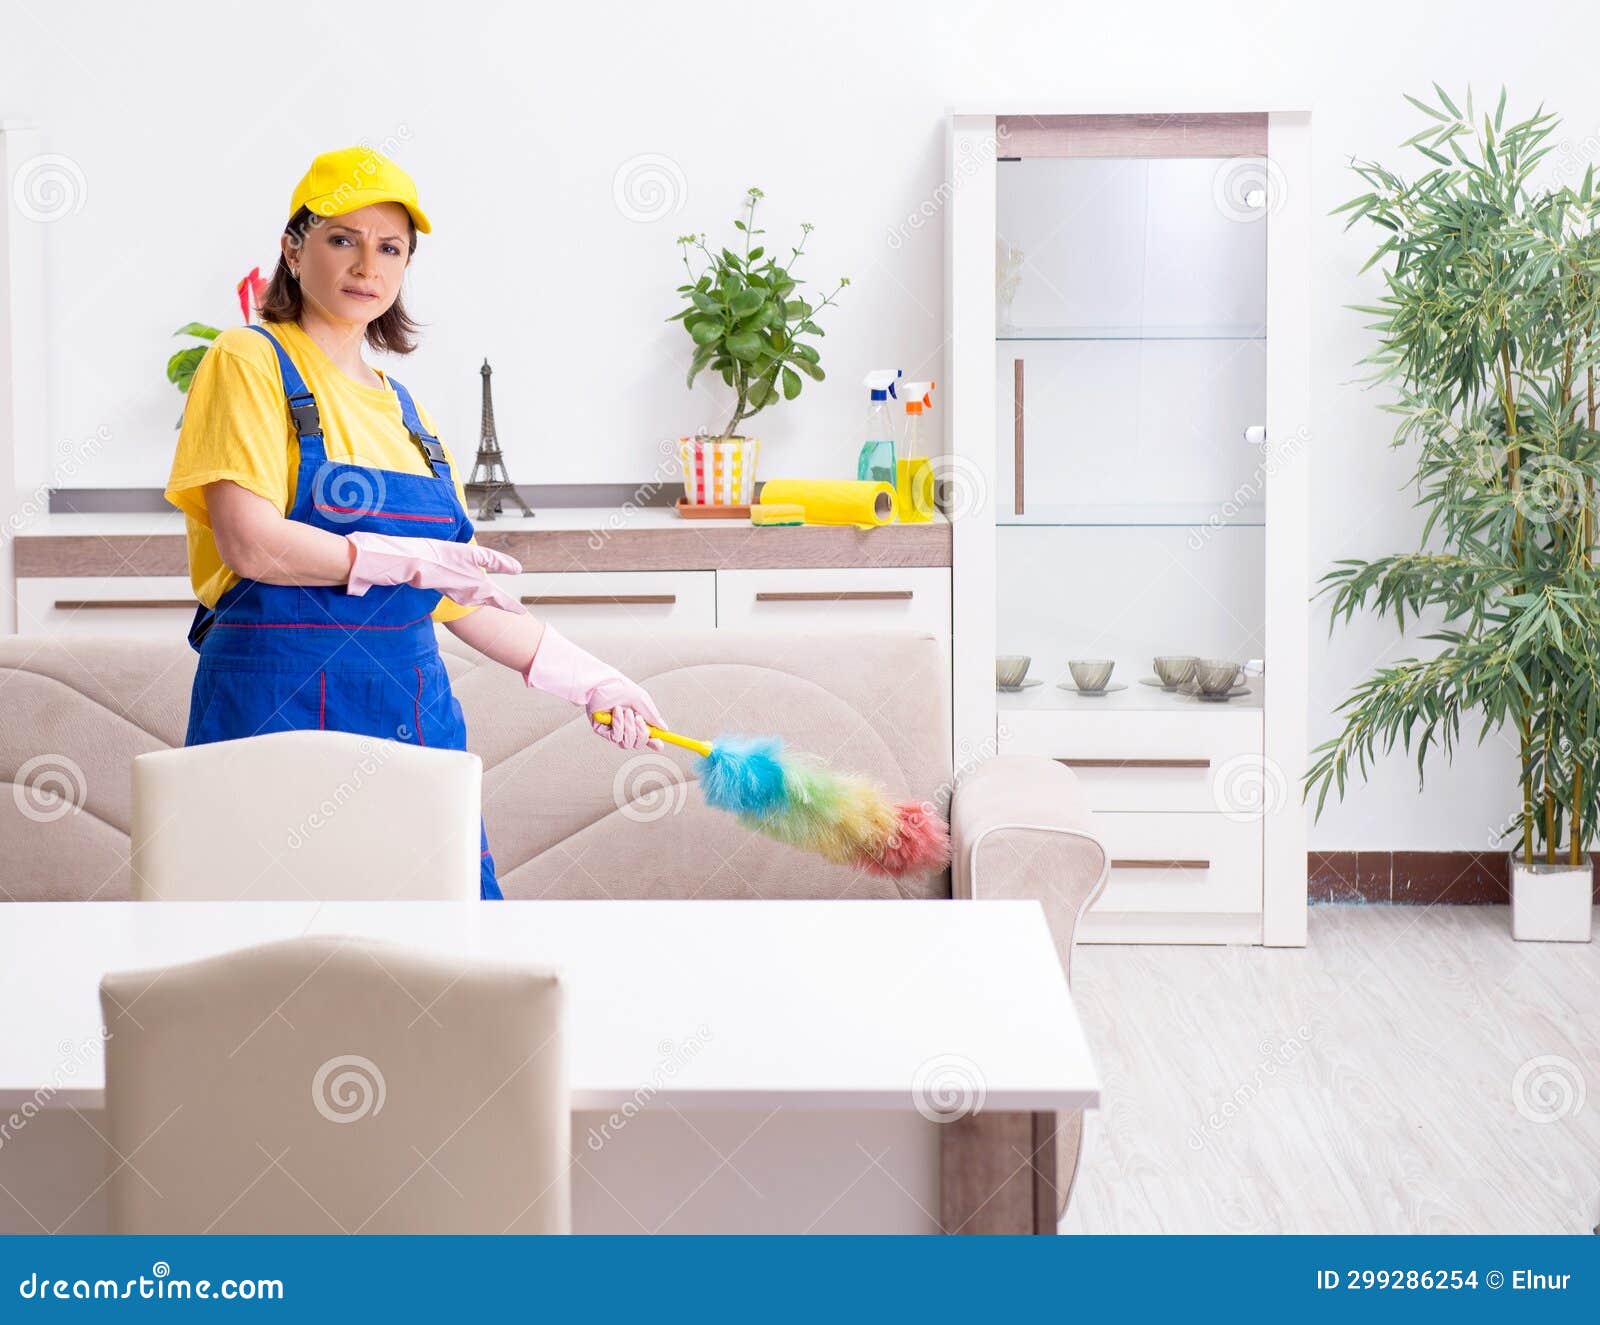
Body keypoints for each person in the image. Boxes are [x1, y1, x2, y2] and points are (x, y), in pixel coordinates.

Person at [164, 145, 663, 901]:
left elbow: (458, 593)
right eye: (343, 238)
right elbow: (251, 541)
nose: (368, 263)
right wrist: (404, 561)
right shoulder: (248, 359)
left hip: (410, 720)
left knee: (450, 956)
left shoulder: (410, 414)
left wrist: (591, 679)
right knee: (263, 960)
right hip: (270, 714)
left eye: (390, 247)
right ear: (294, 251)